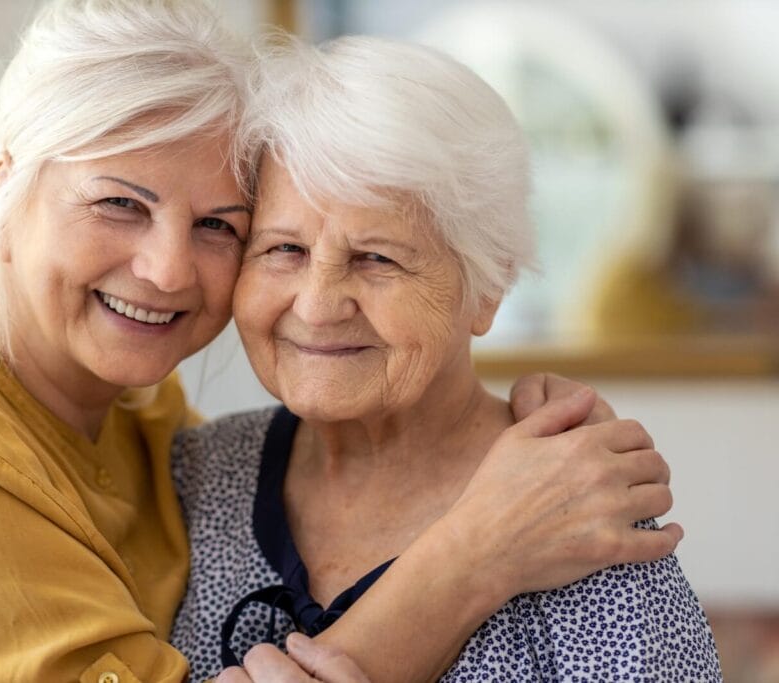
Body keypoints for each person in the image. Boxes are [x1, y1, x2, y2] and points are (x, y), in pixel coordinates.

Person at [0, 2, 682, 681]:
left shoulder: (155, 430)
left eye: (217, 226)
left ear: (488, 286)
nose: (167, 271)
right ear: (7, 186)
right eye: (119, 202)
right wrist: (476, 551)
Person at [171, 35, 721, 682]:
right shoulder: (192, 476)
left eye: (376, 258)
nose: (317, 307)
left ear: (488, 288)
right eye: (284, 249)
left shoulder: (580, 505)